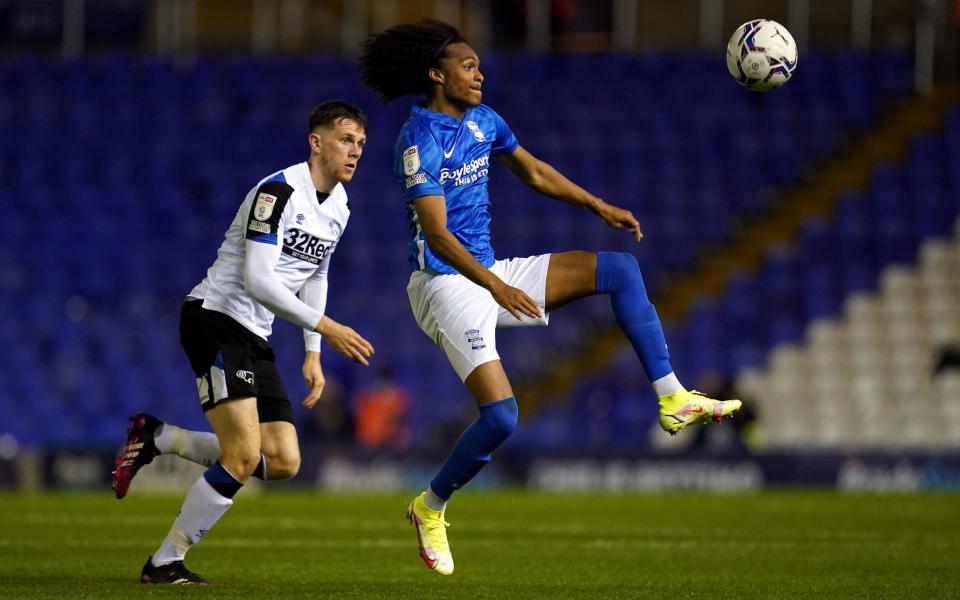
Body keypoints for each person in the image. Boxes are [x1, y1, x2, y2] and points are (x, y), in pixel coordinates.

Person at [358, 20, 741, 576]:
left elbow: (534, 173)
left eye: (479, 65)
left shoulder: (485, 120)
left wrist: (598, 205)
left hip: (489, 272)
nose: (480, 74)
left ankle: (671, 396)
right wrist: (496, 286)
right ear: (437, 74)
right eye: (468, 66)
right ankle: (430, 506)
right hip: (444, 284)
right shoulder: (419, 140)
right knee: (501, 417)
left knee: (620, 270)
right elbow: (438, 234)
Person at [112, 100, 375, 585]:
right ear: (316, 142)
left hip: (256, 333)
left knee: (283, 461)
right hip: (216, 318)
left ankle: (160, 437)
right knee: (241, 456)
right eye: (345, 139)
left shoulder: (339, 206)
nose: (355, 150)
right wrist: (327, 327)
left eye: (360, 142)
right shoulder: (277, 192)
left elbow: (315, 273)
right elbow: (257, 279)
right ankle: (164, 562)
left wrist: (313, 353)